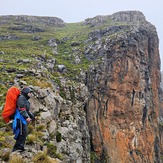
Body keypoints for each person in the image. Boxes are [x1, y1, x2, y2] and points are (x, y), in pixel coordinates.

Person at [12, 86, 35, 152]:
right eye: (29, 92)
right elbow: (22, 109)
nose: (30, 94)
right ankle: (18, 147)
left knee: (22, 132)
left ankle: (18, 147)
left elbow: (26, 110)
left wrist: (32, 116)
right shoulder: (21, 98)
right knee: (22, 132)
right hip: (20, 118)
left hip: (22, 118)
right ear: (26, 92)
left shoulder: (24, 99)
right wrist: (27, 117)